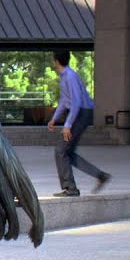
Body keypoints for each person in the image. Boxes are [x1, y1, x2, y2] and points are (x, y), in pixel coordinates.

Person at [47, 50, 110, 197]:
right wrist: (54, 118)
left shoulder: (70, 76)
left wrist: (67, 125)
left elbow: (76, 102)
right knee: (68, 153)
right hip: (79, 112)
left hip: (82, 112)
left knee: (61, 150)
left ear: (56, 61)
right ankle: (100, 175)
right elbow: (64, 100)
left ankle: (71, 188)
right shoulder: (64, 77)